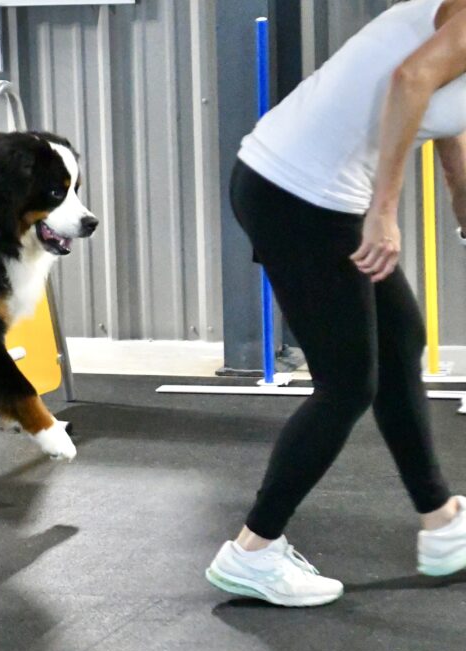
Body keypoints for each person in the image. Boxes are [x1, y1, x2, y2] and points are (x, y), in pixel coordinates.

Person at [206, 0, 466, 607]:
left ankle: (441, 523)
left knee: (400, 339)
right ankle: (253, 550)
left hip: (319, 193)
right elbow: (412, 80)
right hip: (295, 191)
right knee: (348, 383)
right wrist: (383, 210)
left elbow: (447, 113)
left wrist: (462, 204)